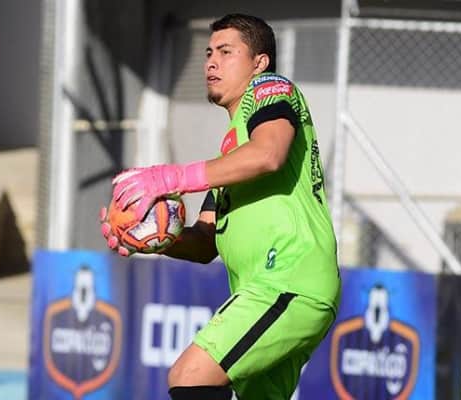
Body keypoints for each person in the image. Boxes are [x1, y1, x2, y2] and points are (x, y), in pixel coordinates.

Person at [100, 13, 341, 400]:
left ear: (259, 62)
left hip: (288, 279)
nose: (211, 61)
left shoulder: (270, 87)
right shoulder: (232, 155)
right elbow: (204, 242)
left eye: (226, 52)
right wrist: (151, 237)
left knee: (191, 375)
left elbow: (269, 154)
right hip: (272, 289)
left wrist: (172, 177)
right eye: (209, 53)